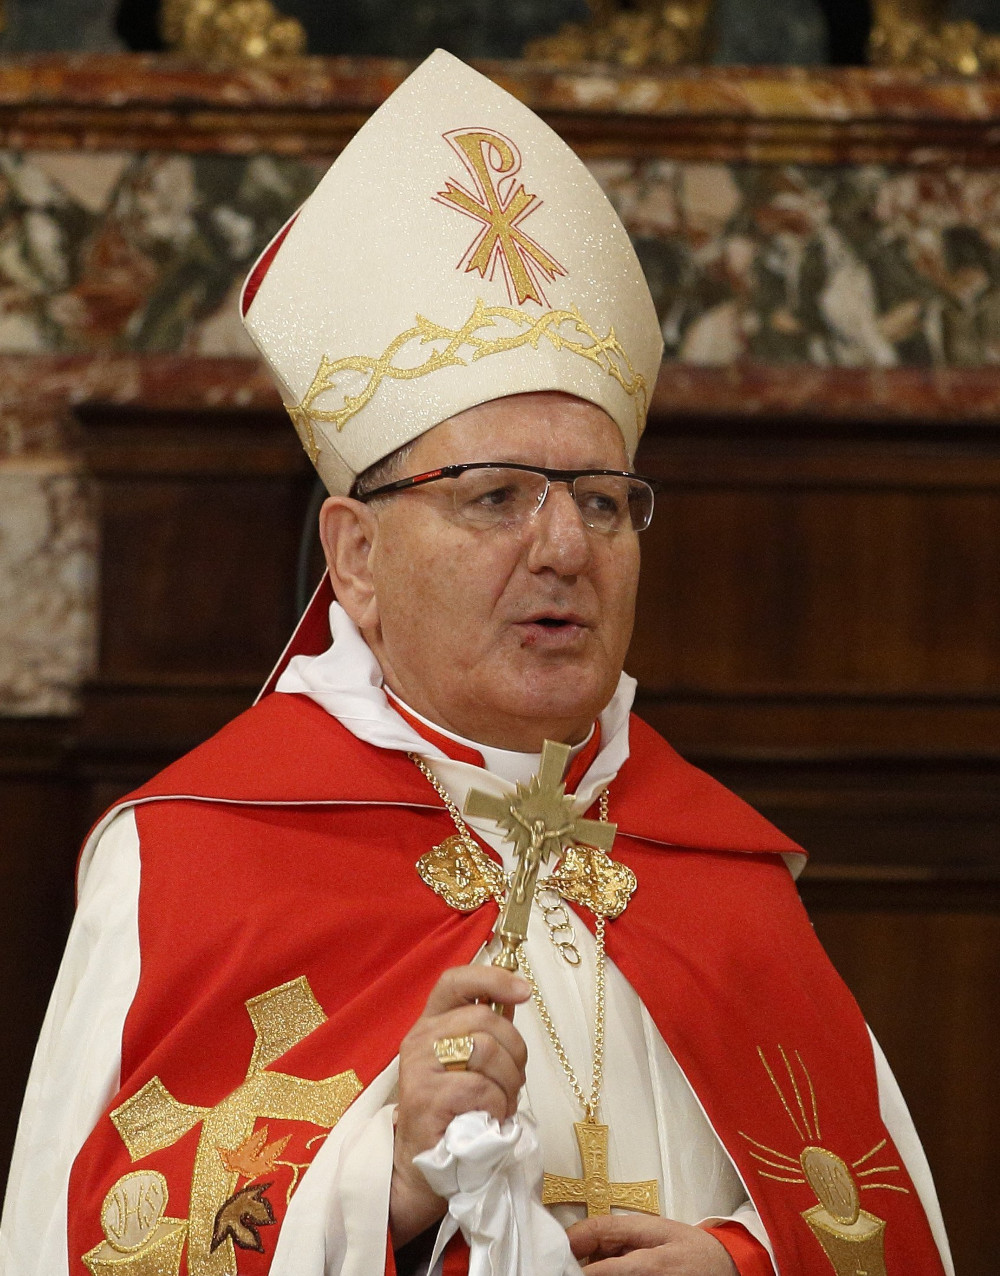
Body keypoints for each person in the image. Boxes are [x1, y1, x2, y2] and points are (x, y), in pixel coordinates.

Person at [0, 50, 952, 1276]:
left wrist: (743, 1262)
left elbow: (884, 1223)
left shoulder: (719, 871)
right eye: (495, 496)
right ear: (356, 555)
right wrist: (382, 1182)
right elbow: (85, 1244)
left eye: (602, 504)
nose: (564, 545)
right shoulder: (195, 857)